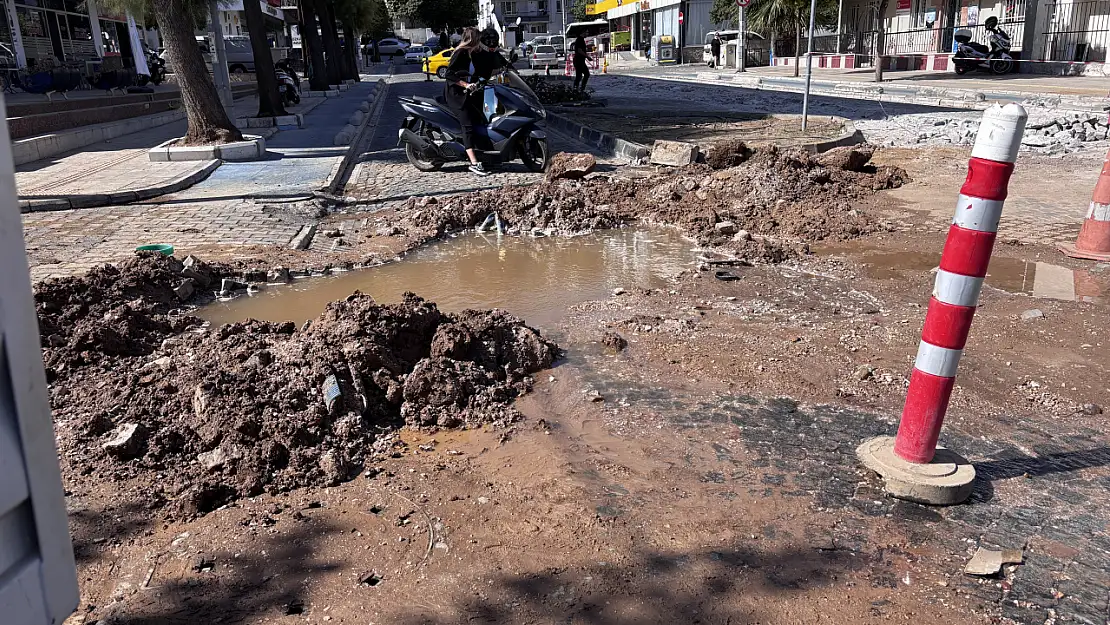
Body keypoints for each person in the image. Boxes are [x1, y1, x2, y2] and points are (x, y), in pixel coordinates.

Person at [443, 27, 508, 176]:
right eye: (478, 39)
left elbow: (488, 65)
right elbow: (449, 75)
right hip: (457, 96)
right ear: (472, 39)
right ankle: (473, 163)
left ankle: (486, 157)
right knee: (468, 126)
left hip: (470, 94)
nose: (481, 42)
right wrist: (466, 85)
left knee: (480, 121)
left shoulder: (473, 53)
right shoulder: (460, 53)